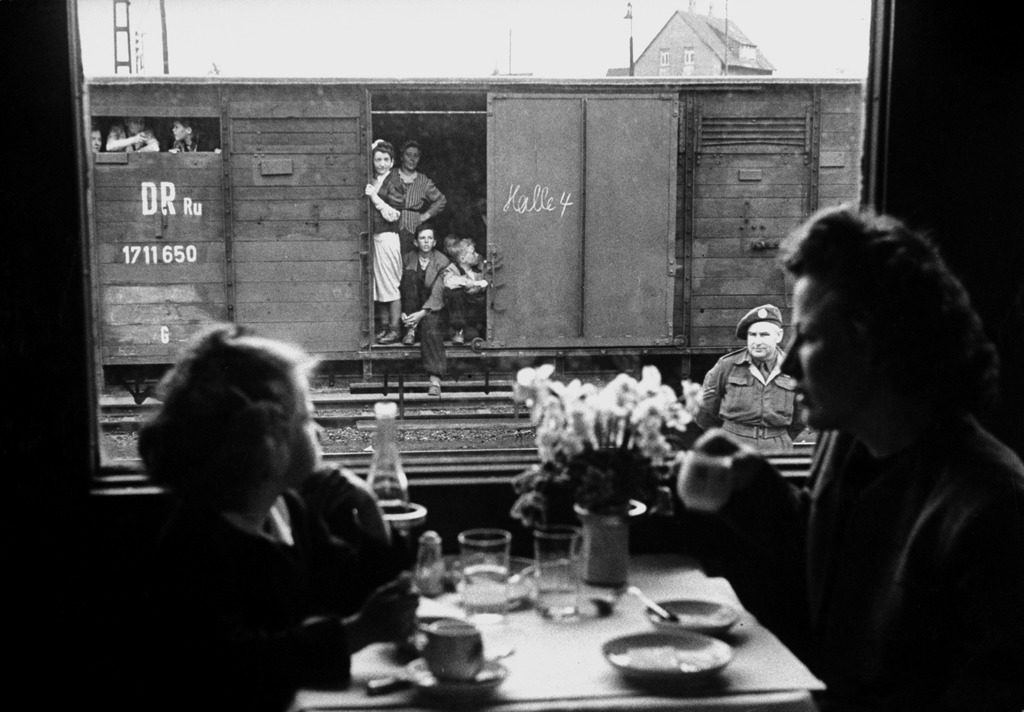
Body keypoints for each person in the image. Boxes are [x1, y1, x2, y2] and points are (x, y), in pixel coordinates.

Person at [675, 205, 1024, 712]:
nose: (790, 362)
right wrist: (754, 488)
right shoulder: (850, 445)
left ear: (875, 345)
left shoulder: (992, 512)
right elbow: (837, 581)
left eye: (810, 337)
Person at [137, 324, 419, 712]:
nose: (316, 429)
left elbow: (351, 589)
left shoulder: (285, 509)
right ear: (266, 440)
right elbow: (237, 667)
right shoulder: (195, 544)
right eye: (306, 419)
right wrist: (357, 633)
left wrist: (369, 509)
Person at [695, 303, 803, 452]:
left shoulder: (792, 367)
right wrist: (728, 436)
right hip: (733, 445)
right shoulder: (727, 365)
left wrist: (777, 438)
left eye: (764, 335)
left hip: (777, 447)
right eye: (752, 335)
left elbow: (801, 416)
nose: (757, 342)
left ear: (779, 336)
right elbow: (706, 412)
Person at [400, 222, 450, 396]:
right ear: (416, 243)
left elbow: (438, 293)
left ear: (435, 242)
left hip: (432, 310)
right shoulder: (407, 258)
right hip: (410, 308)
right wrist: (402, 311)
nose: (426, 241)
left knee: (431, 326)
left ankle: (435, 380)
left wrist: (422, 313)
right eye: (422, 238)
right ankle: (410, 330)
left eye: (430, 238)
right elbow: (399, 287)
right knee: (409, 278)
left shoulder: (442, 261)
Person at [364, 140, 406, 345]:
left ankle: (395, 329)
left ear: (392, 162)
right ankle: (384, 327)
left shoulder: (395, 181)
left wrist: (374, 198)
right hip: (376, 238)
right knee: (378, 285)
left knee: (390, 284)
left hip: (388, 238)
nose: (381, 163)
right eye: (377, 159)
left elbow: (394, 214)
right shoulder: (375, 179)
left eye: (385, 160)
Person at [396, 140, 447, 254]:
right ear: (401, 157)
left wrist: (425, 216)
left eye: (416, 156)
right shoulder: (391, 175)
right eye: (408, 155)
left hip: (413, 229)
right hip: (391, 228)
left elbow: (441, 200)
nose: (412, 159)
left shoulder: (424, 181)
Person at [443, 236, 488, 345]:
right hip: (461, 312)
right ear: (463, 258)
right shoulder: (453, 269)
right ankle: (458, 331)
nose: (477, 255)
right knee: (456, 294)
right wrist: (469, 283)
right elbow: (448, 281)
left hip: (474, 312)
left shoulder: (478, 270)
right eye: (473, 253)